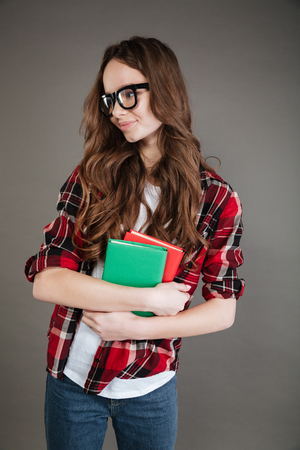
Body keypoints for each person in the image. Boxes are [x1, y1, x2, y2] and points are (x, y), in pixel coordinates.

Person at [25, 36, 245, 450]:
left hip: (150, 387)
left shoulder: (216, 198)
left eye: (129, 94)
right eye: (110, 100)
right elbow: (48, 282)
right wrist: (144, 297)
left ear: (165, 89)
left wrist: (141, 324)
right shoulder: (92, 176)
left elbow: (223, 310)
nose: (118, 112)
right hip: (71, 380)